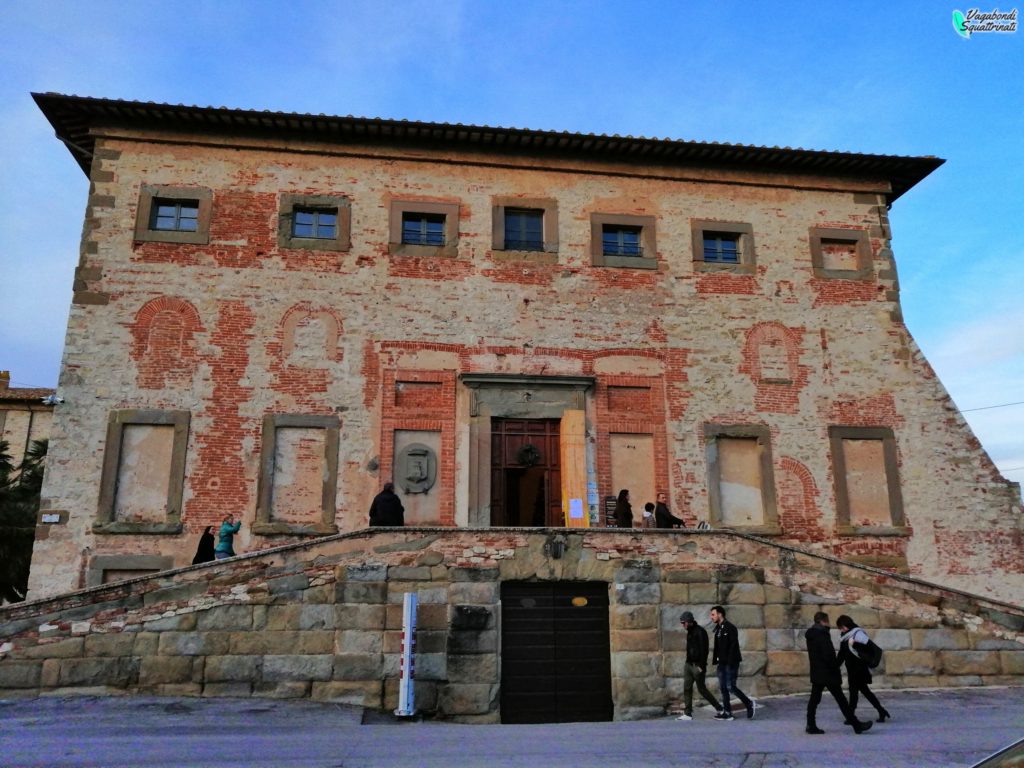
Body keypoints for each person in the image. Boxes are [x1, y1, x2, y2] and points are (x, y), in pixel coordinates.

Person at [804, 611, 873, 734]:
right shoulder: (822, 634)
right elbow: (828, 655)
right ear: (823, 621)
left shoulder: (812, 635)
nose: (829, 624)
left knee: (814, 699)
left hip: (817, 672)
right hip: (828, 673)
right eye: (828, 621)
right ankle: (856, 725)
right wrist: (835, 668)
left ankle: (810, 724)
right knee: (841, 700)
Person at [836, 614, 890, 724]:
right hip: (851, 669)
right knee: (864, 692)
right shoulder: (844, 636)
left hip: (859, 669)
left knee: (854, 693)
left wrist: (855, 644)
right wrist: (835, 666)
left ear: (845, 625)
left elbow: (869, 649)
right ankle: (881, 711)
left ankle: (851, 717)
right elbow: (842, 654)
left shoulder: (858, 634)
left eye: (840, 627)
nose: (840, 630)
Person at [710, 605, 755, 720]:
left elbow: (733, 646)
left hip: (731, 663)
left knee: (731, 687)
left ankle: (749, 703)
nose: (711, 617)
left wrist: (729, 662)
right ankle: (727, 712)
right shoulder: (718, 629)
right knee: (723, 688)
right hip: (721, 664)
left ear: (720, 614)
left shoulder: (730, 628)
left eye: (713, 614)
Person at [676, 611, 722, 721]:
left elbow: (704, 650)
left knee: (702, 690)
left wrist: (701, 666)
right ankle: (687, 714)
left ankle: (719, 708)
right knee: (687, 688)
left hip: (697, 666)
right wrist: (687, 662)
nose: (682, 625)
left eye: (683, 623)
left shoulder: (700, 632)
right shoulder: (689, 632)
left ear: (689, 621)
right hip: (689, 665)